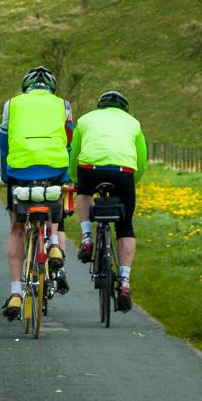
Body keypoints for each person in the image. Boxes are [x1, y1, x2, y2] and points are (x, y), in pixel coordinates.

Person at [0, 65, 73, 320]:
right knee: (56, 195)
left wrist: (5, 175)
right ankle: (53, 243)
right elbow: (69, 141)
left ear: (25, 88)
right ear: (51, 89)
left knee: (16, 228)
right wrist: (67, 175)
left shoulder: (12, 104)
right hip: (55, 165)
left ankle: (16, 292)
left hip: (19, 168)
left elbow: (3, 142)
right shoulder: (64, 105)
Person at [69, 90, 146, 312]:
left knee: (84, 193)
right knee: (125, 226)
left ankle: (86, 238)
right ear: (125, 109)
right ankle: (124, 283)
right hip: (123, 172)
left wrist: (74, 177)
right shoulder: (133, 123)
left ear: (100, 106)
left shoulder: (85, 119)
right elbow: (141, 160)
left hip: (90, 169)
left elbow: (74, 153)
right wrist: (133, 180)